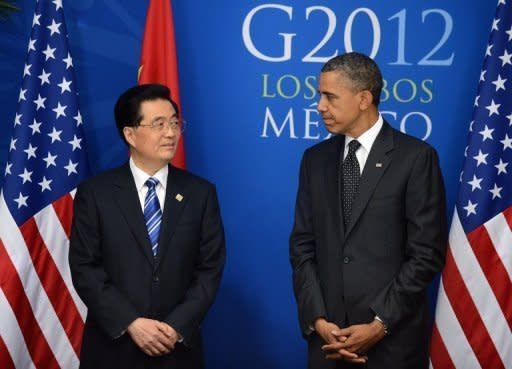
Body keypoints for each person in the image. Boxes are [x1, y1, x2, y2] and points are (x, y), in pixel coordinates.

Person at [289, 52, 448, 369]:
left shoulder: (415, 158)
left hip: (391, 346)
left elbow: (426, 253)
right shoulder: (315, 160)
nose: (320, 106)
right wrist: (319, 321)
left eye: (330, 97)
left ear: (364, 99)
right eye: (320, 95)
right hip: (328, 345)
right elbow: (302, 245)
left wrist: (379, 324)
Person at [69, 84, 225, 369]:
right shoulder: (96, 193)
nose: (170, 133)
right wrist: (131, 322)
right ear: (130, 134)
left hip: (176, 349)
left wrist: (175, 327)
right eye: (158, 124)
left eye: (175, 123)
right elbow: (84, 267)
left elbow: (209, 269)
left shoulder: (200, 193)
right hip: (113, 347)